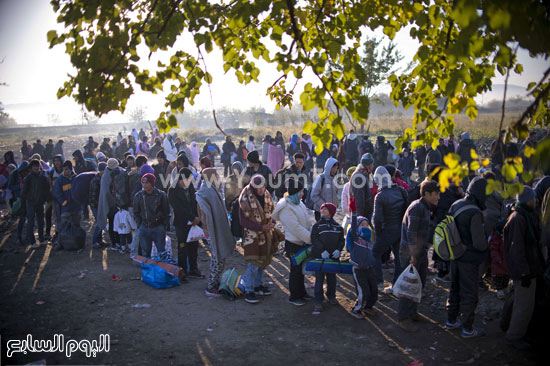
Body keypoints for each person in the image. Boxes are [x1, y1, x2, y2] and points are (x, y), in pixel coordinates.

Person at [445, 177, 488, 338]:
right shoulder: (475, 212)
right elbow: (479, 243)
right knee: (469, 292)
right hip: (469, 260)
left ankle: (451, 320)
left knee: (454, 288)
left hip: (454, 255)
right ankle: (468, 328)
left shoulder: (456, 204)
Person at [503, 186, 546, 350]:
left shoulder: (525, 216)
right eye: (534, 198)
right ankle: (514, 336)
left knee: (522, 304)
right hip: (523, 271)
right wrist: (524, 273)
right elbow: (516, 250)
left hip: (529, 268)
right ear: (529, 200)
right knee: (523, 306)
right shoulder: (518, 219)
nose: (536, 201)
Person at [397, 180, 440, 332]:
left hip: (419, 251)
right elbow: (411, 233)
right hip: (411, 252)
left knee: (418, 282)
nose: (438, 197)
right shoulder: (417, 208)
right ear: (427, 194)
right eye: (436, 194)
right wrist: (413, 255)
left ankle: (412, 312)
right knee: (408, 284)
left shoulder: (425, 207)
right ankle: (403, 318)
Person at [271, 178, 312, 306]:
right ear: (295, 192)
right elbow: (296, 228)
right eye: (301, 191)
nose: (303, 194)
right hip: (294, 244)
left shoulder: (298, 203)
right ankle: (294, 296)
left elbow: (307, 221)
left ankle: (302, 293)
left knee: (300, 271)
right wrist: (310, 238)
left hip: (302, 242)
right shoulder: (286, 208)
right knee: (295, 271)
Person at [196, 168, 235, 296]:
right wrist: (207, 227)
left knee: (220, 256)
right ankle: (211, 286)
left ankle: (215, 281)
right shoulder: (206, 191)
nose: (218, 176)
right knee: (217, 257)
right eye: (216, 175)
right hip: (211, 230)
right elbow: (202, 210)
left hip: (215, 228)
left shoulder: (211, 188)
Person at [239, 175, 278, 304]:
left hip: (266, 233)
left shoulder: (266, 195)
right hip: (252, 236)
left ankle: (257, 285)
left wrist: (272, 222)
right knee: (254, 262)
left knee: (263, 261)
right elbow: (243, 220)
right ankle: (249, 289)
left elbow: (273, 211)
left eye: (262, 187)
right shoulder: (245, 198)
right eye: (258, 188)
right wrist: (260, 227)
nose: (261, 190)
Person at [372, 166, 408, 291]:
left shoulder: (380, 196)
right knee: (398, 258)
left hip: (387, 230)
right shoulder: (401, 190)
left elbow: (377, 219)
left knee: (375, 253)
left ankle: (378, 282)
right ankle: (396, 285)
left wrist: (379, 233)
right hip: (400, 229)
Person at [169, 167, 203, 281]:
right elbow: (178, 208)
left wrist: (196, 218)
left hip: (193, 223)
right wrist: (192, 217)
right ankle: (182, 272)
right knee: (182, 248)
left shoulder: (190, 188)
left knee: (193, 247)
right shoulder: (173, 190)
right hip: (181, 223)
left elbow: (194, 203)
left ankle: (194, 269)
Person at [310, 202, 345, 314]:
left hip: (333, 258)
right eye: (322, 209)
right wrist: (321, 250)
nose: (322, 211)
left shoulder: (338, 227)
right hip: (320, 257)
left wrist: (338, 250)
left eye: (325, 209)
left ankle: (331, 296)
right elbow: (314, 239)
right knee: (319, 279)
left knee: (332, 278)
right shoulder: (317, 226)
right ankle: (318, 301)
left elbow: (341, 240)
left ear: (331, 212)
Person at [347, 197, 378, 318]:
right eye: (362, 224)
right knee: (363, 292)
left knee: (374, 291)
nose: (365, 226)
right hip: (359, 269)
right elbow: (354, 225)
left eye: (366, 224)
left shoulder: (370, 240)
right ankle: (356, 309)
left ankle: (368, 307)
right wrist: (353, 212)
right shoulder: (356, 239)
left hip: (369, 268)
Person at [133, 173, 170, 257]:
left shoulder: (161, 195)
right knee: (145, 253)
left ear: (152, 183)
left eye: (147, 182)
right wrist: (140, 224)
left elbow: (166, 211)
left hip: (158, 227)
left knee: (161, 252)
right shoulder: (138, 196)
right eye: (143, 182)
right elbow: (136, 212)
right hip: (145, 227)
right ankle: (147, 269)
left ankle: (160, 270)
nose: (144, 185)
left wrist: (164, 225)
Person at [52, 161, 81, 250]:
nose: (65, 171)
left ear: (71, 169)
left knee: (76, 225)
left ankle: (76, 242)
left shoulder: (76, 178)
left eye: (67, 169)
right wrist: (64, 203)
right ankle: (60, 243)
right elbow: (57, 193)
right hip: (65, 208)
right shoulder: (60, 180)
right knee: (63, 226)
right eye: (63, 169)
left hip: (76, 207)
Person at [21, 159, 51, 249]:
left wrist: (47, 199)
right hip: (30, 203)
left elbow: (46, 190)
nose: (36, 168)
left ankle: (41, 239)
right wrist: (28, 200)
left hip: (40, 203)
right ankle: (32, 241)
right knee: (30, 223)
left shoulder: (42, 178)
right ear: (31, 167)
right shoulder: (28, 178)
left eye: (37, 166)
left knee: (41, 222)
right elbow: (23, 192)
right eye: (34, 166)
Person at [8, 162, 29, 243]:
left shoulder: (29, 175)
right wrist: (19, 187)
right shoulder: (14, 174)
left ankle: (28, 236)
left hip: (29, 199)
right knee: (22, 219)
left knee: (30, 219)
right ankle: (19, 237)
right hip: (19, 199)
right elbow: (10, 187)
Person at [351, 153, 375, 220]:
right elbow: (359, 196)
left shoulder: (366, 174)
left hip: (366, 211)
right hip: (362, 213)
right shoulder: (359, 176)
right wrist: (360, 214)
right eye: (372, 164)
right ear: (368, 165)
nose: (373, 166)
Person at [89, 162, 106, 249]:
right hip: (95, 205)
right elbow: (94, 196)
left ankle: (100, 240)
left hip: (99, 204)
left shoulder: (101, 179)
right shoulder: (96, 181)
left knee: (101, 222)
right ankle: (94, 241)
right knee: (99, 222)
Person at [341, 166, 357, 230]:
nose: (349, 178)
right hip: (350, 213)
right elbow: (344, 199)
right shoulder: (346, 186)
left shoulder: (360, 185)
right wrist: (346, 209)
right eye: (348, 177)